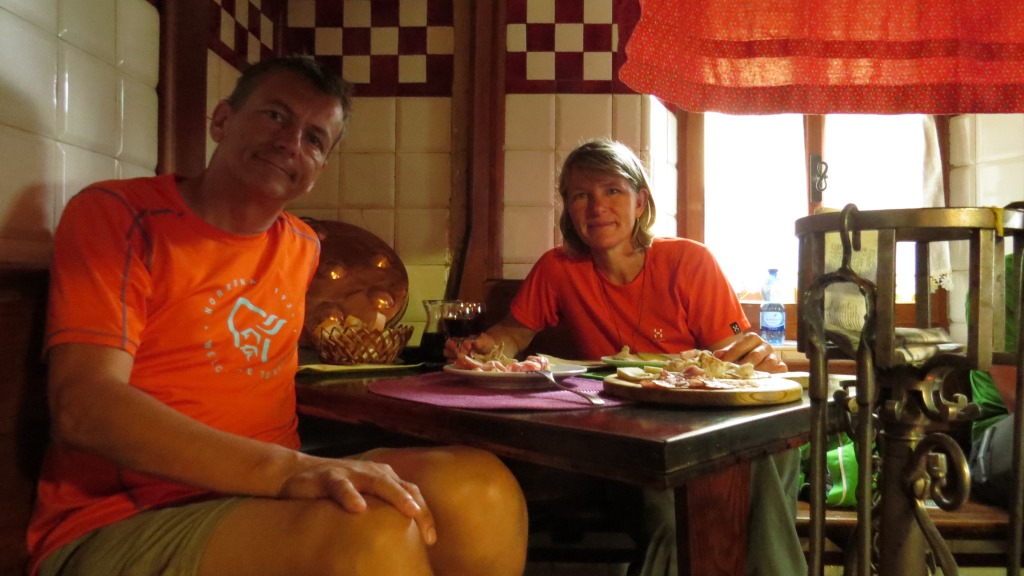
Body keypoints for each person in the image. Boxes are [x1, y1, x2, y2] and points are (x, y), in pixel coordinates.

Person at [27, 55, 528, 576]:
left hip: (262, 491)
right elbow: (83, 406)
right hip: (125, 516)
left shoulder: (302, 245)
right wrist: (288, 471)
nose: (291, 143)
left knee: (482, 489)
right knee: (371, 533)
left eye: (314, 138)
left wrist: (292, 470)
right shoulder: (119, 214)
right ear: (222, 120)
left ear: (318, 171)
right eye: (275, 116)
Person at [452, 138, 805, 576]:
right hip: (622, 439)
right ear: (568, 209)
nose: (597, 206)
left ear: (640, 202)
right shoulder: (557, 269)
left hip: (698, 423)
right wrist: (486, 347)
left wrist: (757, 359)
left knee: (769, 452)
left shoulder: (690, 261)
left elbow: (730, 360)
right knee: (694, 498)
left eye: (612, 190)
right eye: (581, 195)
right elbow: (512, 334)